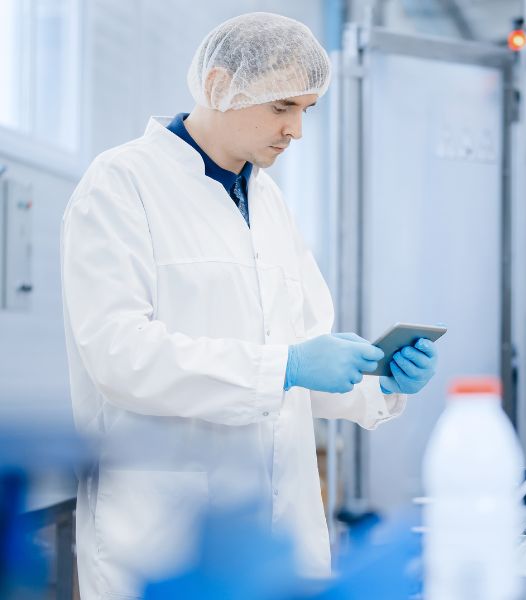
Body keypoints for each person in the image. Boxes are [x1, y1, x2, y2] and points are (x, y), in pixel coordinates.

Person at [60, 13, 438, 600]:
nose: (296, 131)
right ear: (218, 85)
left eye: (306, 110)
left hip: (280, 537)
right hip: (164, 533)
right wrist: (282, 367)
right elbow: (119, 355)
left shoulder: (268, 201)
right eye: (282, 106)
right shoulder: (121, 183)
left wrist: (381, 380)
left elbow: (308, 351)